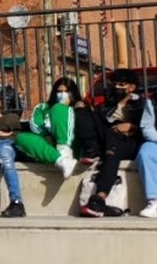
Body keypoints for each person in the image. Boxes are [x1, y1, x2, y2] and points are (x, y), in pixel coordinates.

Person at [80, 68, 150, 217]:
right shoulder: (109, 102)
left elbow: (149, 128)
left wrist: (132, 126)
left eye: (121, 84)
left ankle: (99, 199)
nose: (117, 87)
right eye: (115, 84)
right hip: (109, 137)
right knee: (82, 110)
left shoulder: (142, 104)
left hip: (129, 142)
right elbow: (100, 121)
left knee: (112, 148)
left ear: (131, 87)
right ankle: (91, 149)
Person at [14, 76, 91, 176]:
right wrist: (50, 121)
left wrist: (72, 109)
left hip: (72, 148)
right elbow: (36, 131)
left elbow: (84, 129)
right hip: (49, 148)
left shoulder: (80, 108)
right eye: (59, 91)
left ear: (73, 93)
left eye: (67, 91)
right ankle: (60, 160)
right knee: (21, 138)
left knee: (59, 108)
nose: (63, 94)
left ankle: (64, 151)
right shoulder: (43, 108)